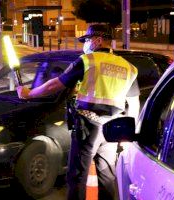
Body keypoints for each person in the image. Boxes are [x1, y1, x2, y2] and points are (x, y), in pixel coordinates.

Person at [17, 24, 140, 200]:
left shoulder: (88, 60)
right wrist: (127, 136)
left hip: (89, 126)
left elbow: (56, 84)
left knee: (77, 175)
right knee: (107, 175)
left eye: (88, 40)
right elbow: (134, 105)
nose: (86, 44)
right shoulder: (128, 67)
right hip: (112, 130)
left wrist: (29, 93)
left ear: (98, 40)